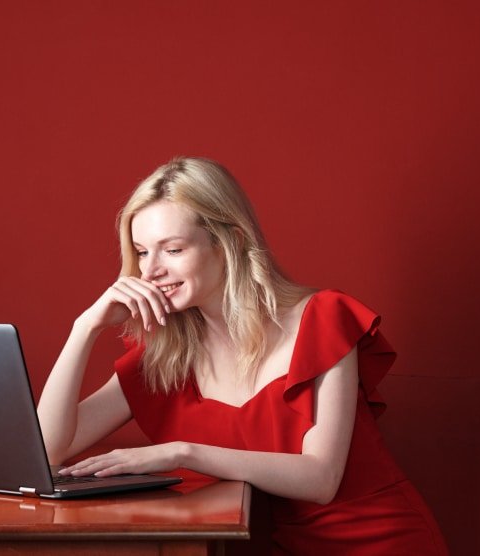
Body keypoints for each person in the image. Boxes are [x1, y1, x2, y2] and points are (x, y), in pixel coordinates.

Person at [37, 157, 449, 555]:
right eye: (142, 252)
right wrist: (84, 328)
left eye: (173, 250)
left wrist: (182, 452)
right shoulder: (164, 358)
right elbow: (47, 450)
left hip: (380, 541)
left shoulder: (322, 319)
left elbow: (322, 478)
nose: (149, 272)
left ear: (230, 242)